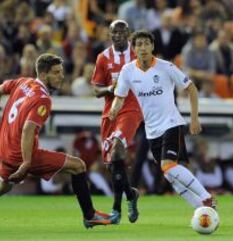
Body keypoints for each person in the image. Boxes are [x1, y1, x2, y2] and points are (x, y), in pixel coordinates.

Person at [0, 53, 113, 231]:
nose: (61, 76)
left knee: (1, 187)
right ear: (44, 74)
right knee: (78, 166)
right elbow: (28, 130)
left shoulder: (23, 82)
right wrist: (26, 163)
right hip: (20, 153)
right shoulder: (43, 99)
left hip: (4, 148)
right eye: (56, 72)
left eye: (61, 72)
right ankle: (89, 215)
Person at [109, 30, 216, 210]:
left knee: (168, 166)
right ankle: (201, 209)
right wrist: (114, 109)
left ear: (152, 46)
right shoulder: (127, 71)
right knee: (169, 174)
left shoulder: (166, 67)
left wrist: (194, 118)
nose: (143, 48)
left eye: (146, 44)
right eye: (139, 44)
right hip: (151, 130)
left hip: (172, 123)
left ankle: (206, 197)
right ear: (134, 48)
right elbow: (119, 97)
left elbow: (191, 88)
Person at [91, 20, 142, 224]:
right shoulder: (103, 58)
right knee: (113, 164)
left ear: (128, 34)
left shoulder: (139, 54)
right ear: (109, 35)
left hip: (130, 109)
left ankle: (116, 210)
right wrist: (110, 89)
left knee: (117, 149)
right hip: (109, 113)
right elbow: (96, 90)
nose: (119, 35)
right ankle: (130, 195)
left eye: (122, 32)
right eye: (115, 32)